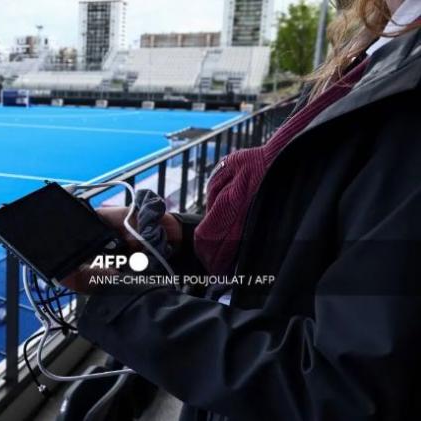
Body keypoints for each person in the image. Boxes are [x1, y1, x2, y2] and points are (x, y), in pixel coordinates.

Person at [62, 0, 421, 420]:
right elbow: (313, 247)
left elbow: (343, 390)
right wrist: (183, 236)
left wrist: (120, 300)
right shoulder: (376, 51)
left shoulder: (403, 89)